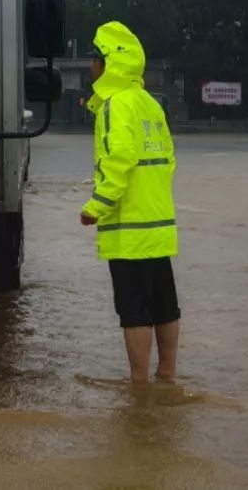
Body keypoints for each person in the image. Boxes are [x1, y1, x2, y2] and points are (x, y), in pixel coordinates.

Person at [79, 21, 180, 383]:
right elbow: (168, 160)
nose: (90, 67)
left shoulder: (114, 106)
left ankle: (138, 384)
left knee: (134, 311)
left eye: (94, 58)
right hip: (158, 225)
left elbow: (118, 161)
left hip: (129, 232)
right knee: (165, 305)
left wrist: (96, 207)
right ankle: (166, 376)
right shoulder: (150, 104)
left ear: (107, 64)